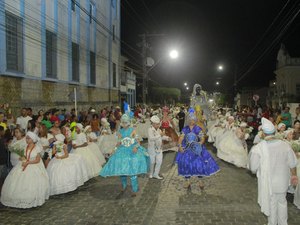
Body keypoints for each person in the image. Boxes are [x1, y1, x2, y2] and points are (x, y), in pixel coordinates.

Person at [249, 117, 298, 225]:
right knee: (282, 203)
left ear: (263, 133)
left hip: (268, 182)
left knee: (271, 205)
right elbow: (293, 163)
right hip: (282, 181)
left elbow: (253, 168)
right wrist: (294, 176)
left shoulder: (258, 148)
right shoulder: (285, 145)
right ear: (274, 132)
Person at [100, 114, 149, 197]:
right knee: (122, 170)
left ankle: (134, 189)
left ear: (129, 122)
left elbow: (138, 141)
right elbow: (119, 143)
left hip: (132, 152)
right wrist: (114, 150)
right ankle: (124, 185)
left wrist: (136, 147)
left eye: (126, 122)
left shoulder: (133, 130)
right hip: (122, 151)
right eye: (123, 122)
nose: (124, 124)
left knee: (133, 171)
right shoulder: (120, 132)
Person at [1, 131, 50, 208]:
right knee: (18, 182)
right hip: (24, 164)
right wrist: (22, 158)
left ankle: (31, 198)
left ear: (33, 139)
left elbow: (37, 160)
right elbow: (25, 156)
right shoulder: (25, 147)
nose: (26, 140)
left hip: (33, 166)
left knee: (31, 183)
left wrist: (28, 162)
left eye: (28, 138)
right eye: (26, 138)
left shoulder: (37, 148)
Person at [175, 113, 220, 189]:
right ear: (188, 120)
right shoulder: (185, 129)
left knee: (199, 164)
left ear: (195, 120)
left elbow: (202, 138)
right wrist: (179, 146)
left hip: (197, 149)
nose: (191, 121)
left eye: (193, 120)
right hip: (187, 149)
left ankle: (200, 181)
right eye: (190, 119)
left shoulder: (198, 128)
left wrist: (200, 143)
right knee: (186, 164)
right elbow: (181, 138)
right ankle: (187, 181)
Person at [148, 115, 170, 179]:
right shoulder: (150, 130)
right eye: (157, 124)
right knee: (152, 162)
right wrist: (160, 135)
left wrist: (167, 138)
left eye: (158, 124)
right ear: (153, 124)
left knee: (159, 161)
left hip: (159, 149)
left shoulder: (159, 130)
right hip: (152, 149)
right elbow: (151, 138)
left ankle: (156, 174)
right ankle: (151, 173)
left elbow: (162, 137)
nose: (158, 125)